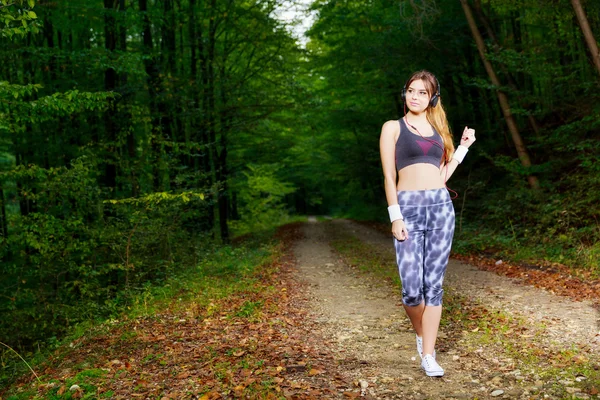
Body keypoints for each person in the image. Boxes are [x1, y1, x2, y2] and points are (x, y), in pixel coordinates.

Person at [379, 70, 476, 377]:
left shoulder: (438, 131)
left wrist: (462, 147)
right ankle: (422, 332)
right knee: (411, 291)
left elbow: (442, 176)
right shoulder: (392, 128)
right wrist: (395, 216)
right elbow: (388, 176)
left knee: (433, 288)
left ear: (433, 97)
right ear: (404, 94)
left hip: (440, 209)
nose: (415, 96)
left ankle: (429, 355)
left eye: (422, 92)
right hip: (407, 208)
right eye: (411, 90)